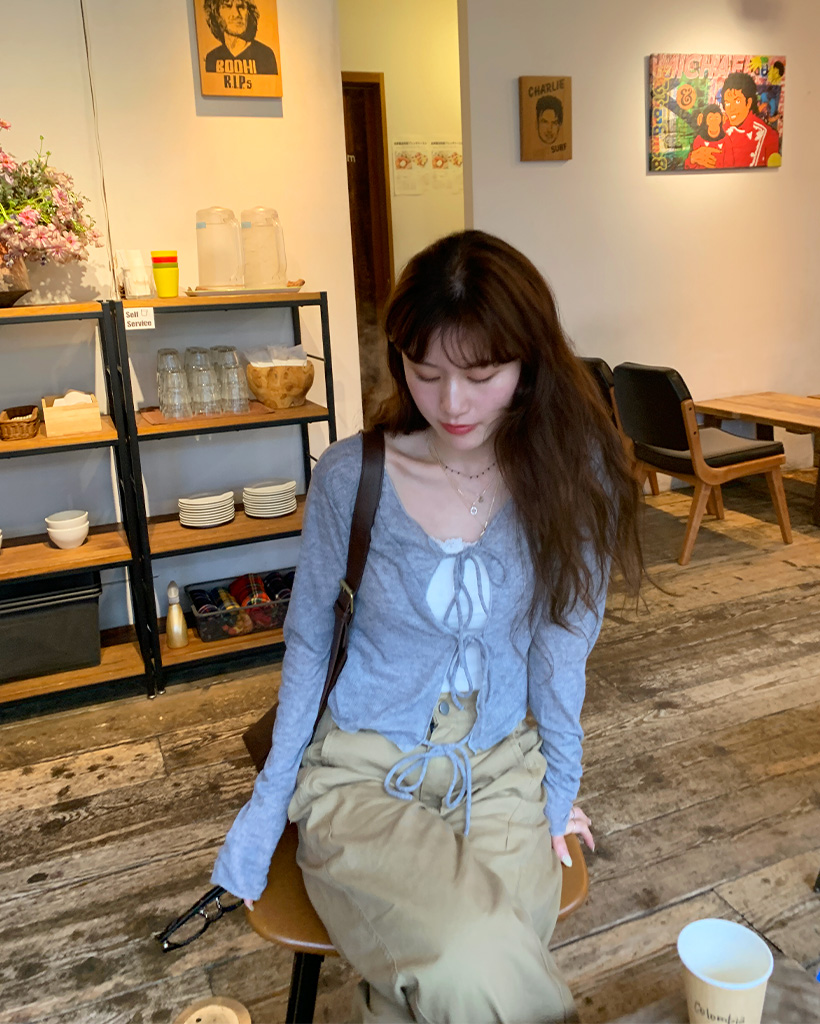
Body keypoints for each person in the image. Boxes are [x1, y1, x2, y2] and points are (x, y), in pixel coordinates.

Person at [212, 230, 643, 1023]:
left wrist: (558, 787)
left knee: (475, 962)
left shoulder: (568, 474)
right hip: (362, 768)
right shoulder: (352, 476)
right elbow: (309, 643)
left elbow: (562, 649)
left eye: (481, 375)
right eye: (426, 372)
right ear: (399, 361)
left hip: (502, 763)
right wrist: (266, 808)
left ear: (530, 363)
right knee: (478, 955)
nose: (452, 404)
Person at [719, 71, 779, 168]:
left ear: (749, 102)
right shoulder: (720, 131)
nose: (731, 108)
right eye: (728, 103)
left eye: (737, 101)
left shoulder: (767, 135)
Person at [203, 0, 277, 75]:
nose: (236, 14)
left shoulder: (265, 55)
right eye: (228, 6)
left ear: (249, 13)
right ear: (216, 14)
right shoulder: (212, 57)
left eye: (241, 7)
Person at [684, 103, 726, 170]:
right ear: (703, 120)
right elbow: (690, 166)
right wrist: (692, 161)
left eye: (717, 118)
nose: (714, 122)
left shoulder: (726, 140)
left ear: (722, 119)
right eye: (710, 118)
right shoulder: (699, 140)